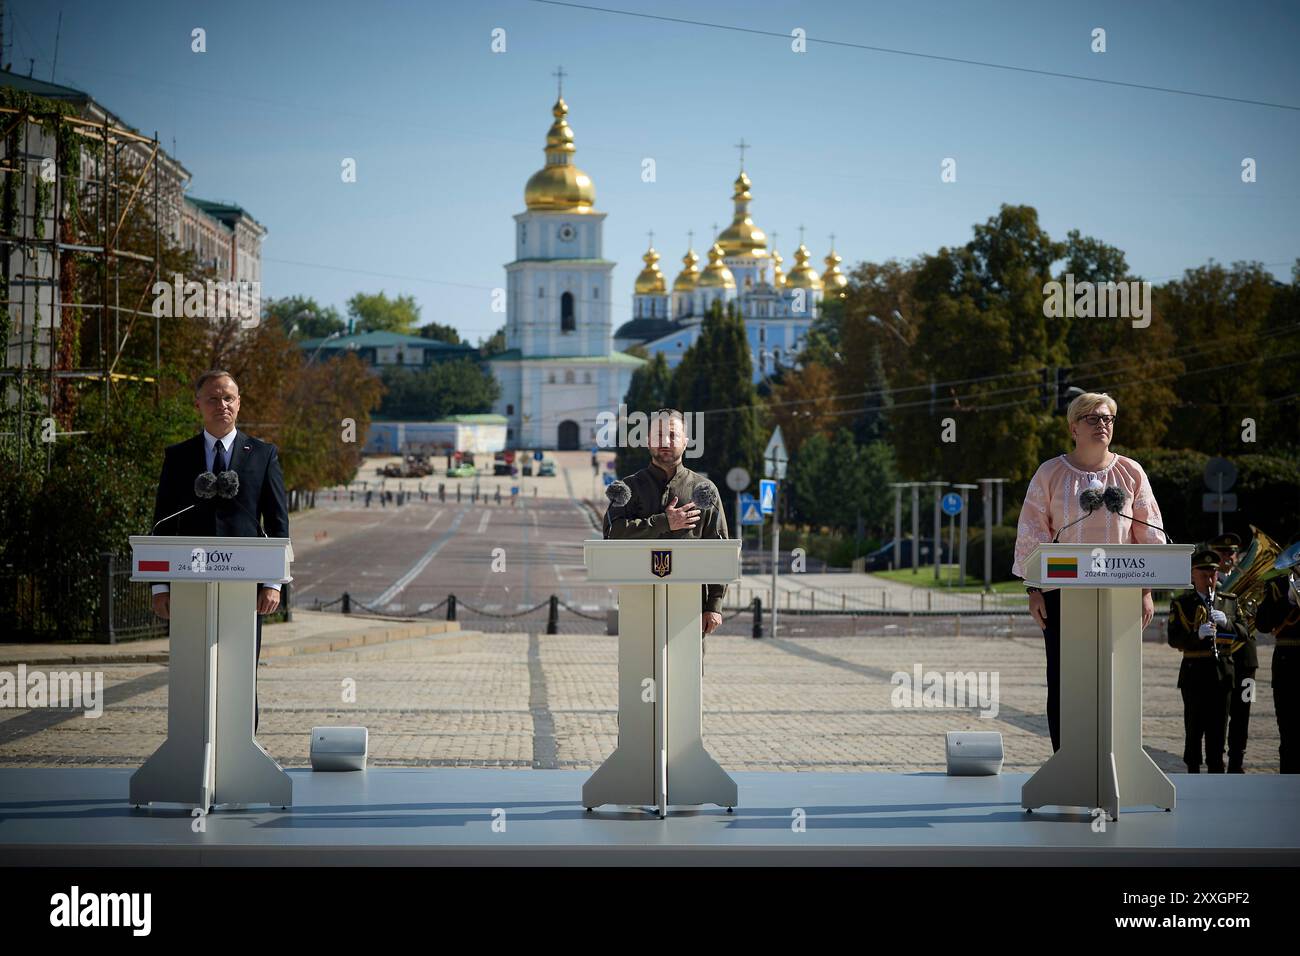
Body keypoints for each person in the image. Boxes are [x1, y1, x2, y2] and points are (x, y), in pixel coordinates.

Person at [1012, 392, 1165, 752]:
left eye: (1108, 419)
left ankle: (1115, 758)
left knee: (1115, 680)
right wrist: (1033, 589)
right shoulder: (1050, 473)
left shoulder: (1131, 472)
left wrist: (1145, 591)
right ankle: (1067, 761)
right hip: (1062, 597)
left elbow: (1149, 533)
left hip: (1121, 594)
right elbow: (1033, 532)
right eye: (1094, 419)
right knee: (1066, 682)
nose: (1103, 425)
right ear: (1073, 428)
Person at [151, 369, 289, 733]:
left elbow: (278, 525)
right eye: (212, 398)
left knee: (241, 672)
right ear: (198, 405)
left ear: (239, 403)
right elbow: (162, 523)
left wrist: (273, 583)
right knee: (193, 671)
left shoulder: (263, 454)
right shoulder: (179, 457)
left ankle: (244, 746)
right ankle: (193, 746)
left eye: (229, 397)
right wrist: (160, 587)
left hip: (245, 593)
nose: (222, 405)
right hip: (190, 587)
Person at [602, 408, 728, 638]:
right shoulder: (628, 488)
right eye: (658, 435)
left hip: (690, 606)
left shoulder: (704, 490)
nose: (665, 442)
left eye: (672, 435)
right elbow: (611, 535)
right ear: (648, 440)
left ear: (686, 441)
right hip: (637, 601)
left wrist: (714, 605)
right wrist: (663, 523)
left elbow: (720, 550)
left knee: (686, 673)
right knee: (637, 672)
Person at [1167, 548, 1242, 772]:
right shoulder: (1182, 603)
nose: (1209, 580)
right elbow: (1174, 638)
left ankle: (1216, 774)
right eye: (1203, 575)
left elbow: (1244, 633)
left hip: (1222, 674)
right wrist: (1197, 635)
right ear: (1192, 575)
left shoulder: (1228, 601)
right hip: (1194, 674)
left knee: (1218, 732)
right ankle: (1193, 775)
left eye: (1212, 575)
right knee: (1194, 731)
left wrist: (1227, 623)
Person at [1208, 531, 1255, 771]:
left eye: (1233, 552)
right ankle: (1216, 762)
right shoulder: (1208, 580)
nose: (1229, 557)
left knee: (1243, 711)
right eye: (1223, 552)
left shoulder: (1249, 580)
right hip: (1219, 657)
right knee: (1217, 714)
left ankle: (1238, 762)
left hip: (1246, 659)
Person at [1257, 538, 1300, 772]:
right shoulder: (1276, 587)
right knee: (1288, 732)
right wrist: (1289, 602)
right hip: (1287, 662)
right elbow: (1263, 624)